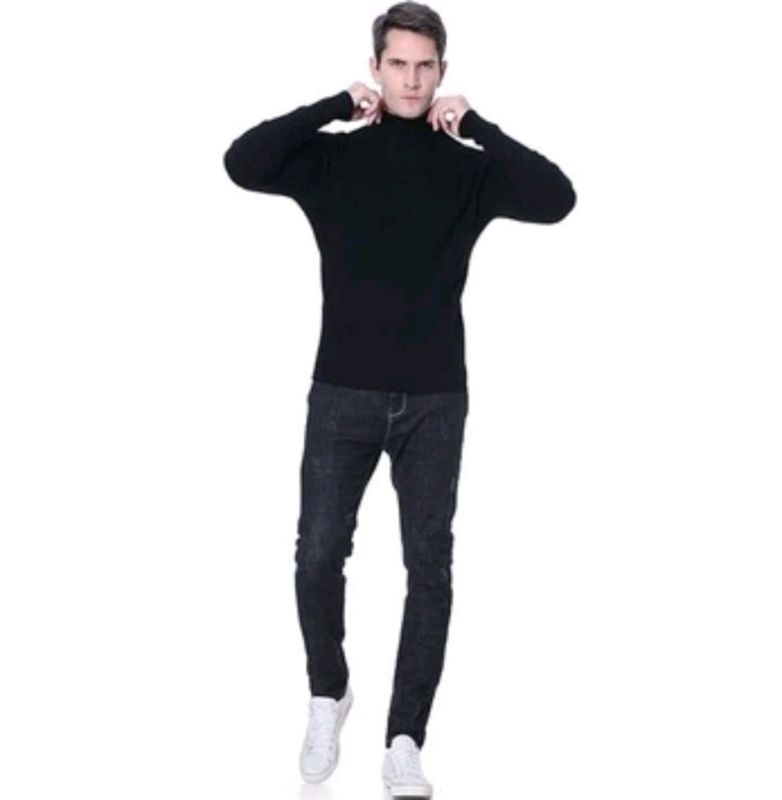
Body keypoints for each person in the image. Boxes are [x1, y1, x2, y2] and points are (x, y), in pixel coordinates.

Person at [223, 2, 575, 796]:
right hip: (341, 393)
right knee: (317, 554)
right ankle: (328, 691)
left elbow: (557, 198)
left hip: (435, 400)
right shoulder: (332, 159)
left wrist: (477, 125)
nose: (412, 80)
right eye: (398, 64)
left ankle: (405, 738)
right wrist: (331, 106)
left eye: (425, 66)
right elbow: (241, 161)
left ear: (442, 72)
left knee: (430, 569)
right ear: (376, 68)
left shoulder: (467, 168)